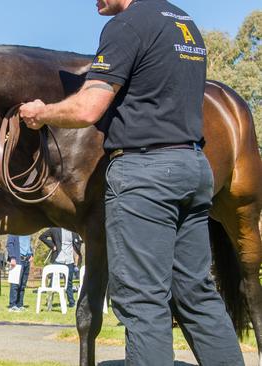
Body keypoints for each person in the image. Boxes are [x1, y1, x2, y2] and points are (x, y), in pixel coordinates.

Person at [19, 0, 244, 364]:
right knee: (196, 294)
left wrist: (42, 113)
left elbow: (89, 108)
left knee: (142, 299)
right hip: (192, 166)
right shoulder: (184, 24)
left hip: (146, 174)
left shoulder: (127, 25)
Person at [39, 228, 82, 308]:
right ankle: (49, 302)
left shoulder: (73, 231)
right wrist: (52, 245)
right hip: (58, 260)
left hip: (69, 261)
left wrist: (77, 258)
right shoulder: (55, 229)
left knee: (69, 282)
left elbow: (78, 243)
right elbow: (42, 236)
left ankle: (71, 303)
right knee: (53, 283)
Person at [6, 234, 33, 312]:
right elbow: (9, 244)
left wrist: (31, 254)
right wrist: (12, 257)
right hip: (17, 260)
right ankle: (12, 305)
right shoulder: (14, 231)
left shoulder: (28, 232)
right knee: (15, 284)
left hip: (26, 260)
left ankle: (20, 304)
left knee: (23, 285)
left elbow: (28, 244)